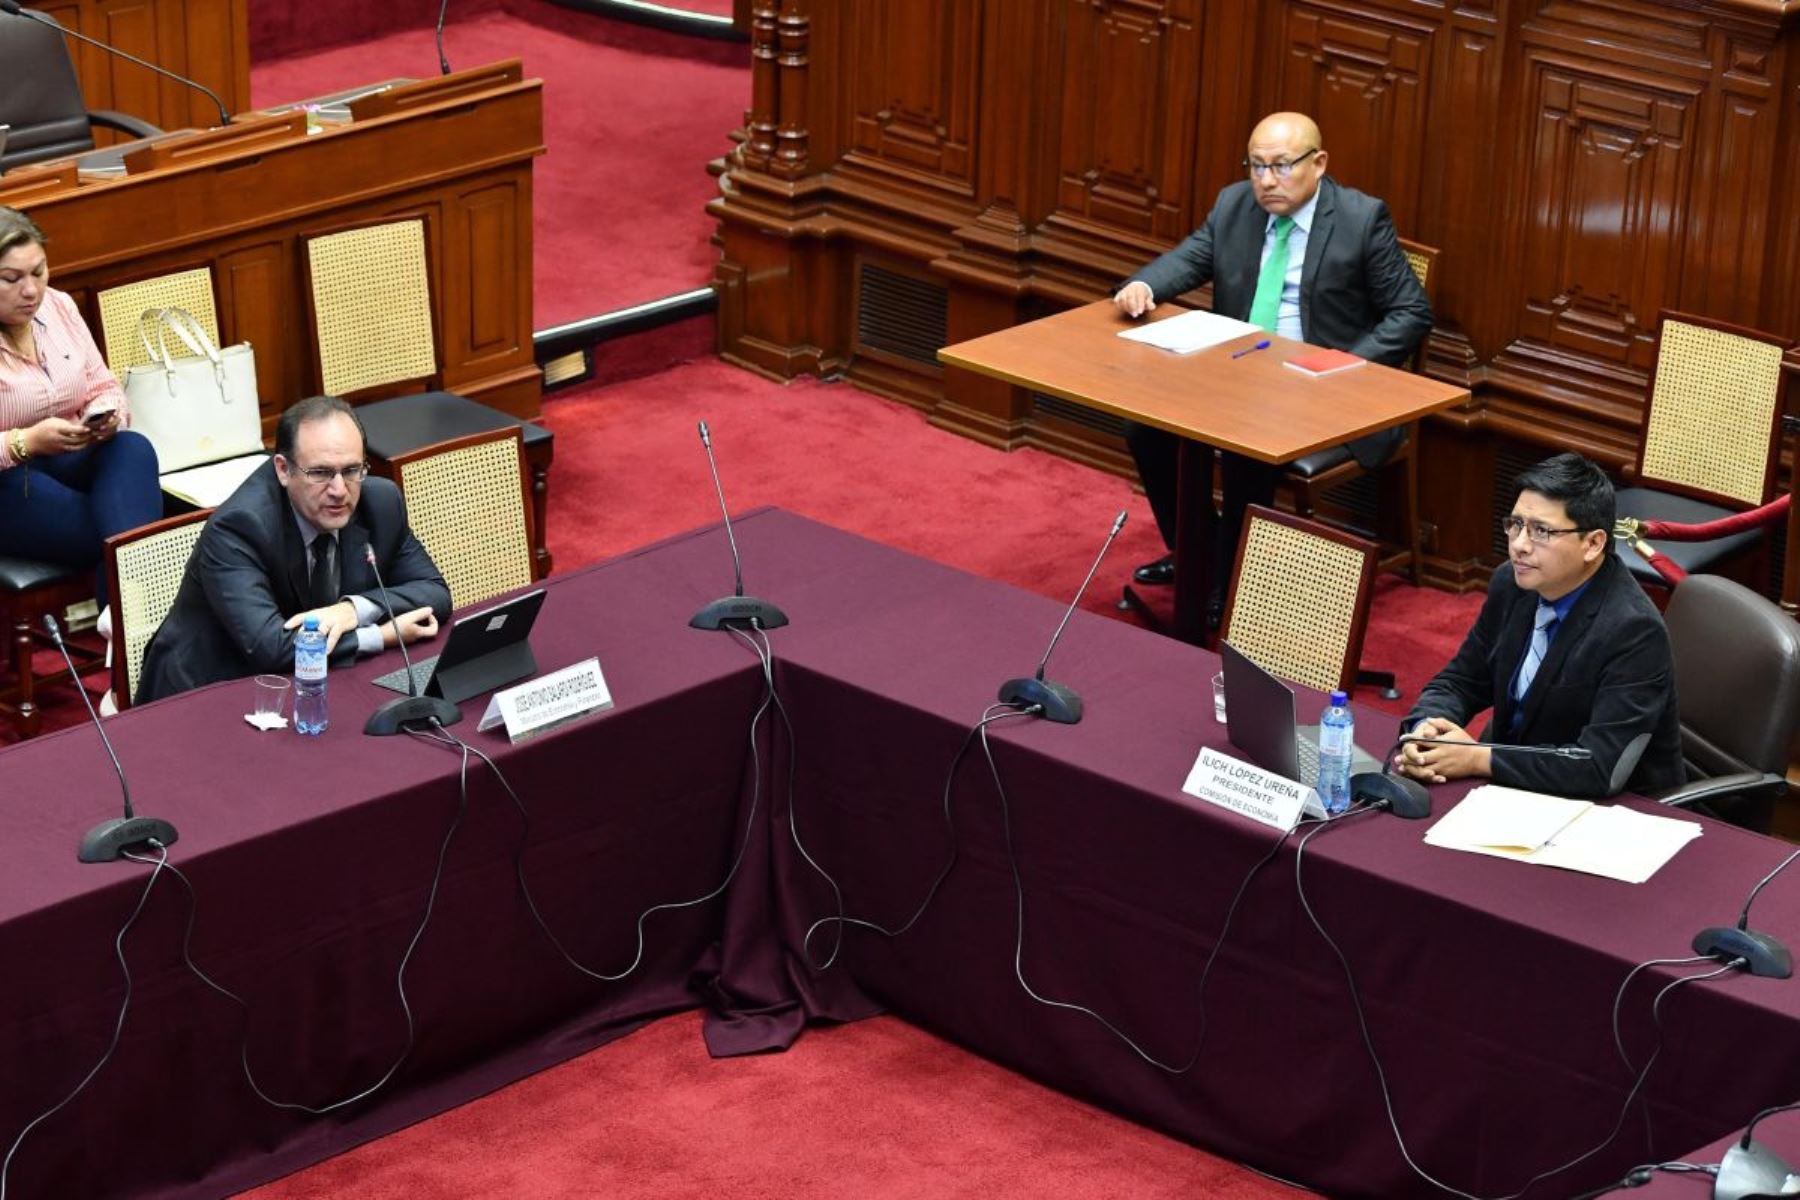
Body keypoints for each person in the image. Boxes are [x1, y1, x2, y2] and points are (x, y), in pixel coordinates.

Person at [1114, 113, 1431, 606]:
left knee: (1245, 445)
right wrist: (1143, 285)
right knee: (1147, 428)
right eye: (1256, 166)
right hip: (1237, 373)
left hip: (1325, 387)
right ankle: (1203, 551)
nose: (1265, 181)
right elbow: (1191, 257)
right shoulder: (1235, 204)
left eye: (1281, 166)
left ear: (1319, 163)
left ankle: (1229, 582)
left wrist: (1337, 367)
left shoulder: (1361, 219)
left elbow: (1411, 313)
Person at [1395, 453, 1683, 798]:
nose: (1519, 545)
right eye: (1515, 525)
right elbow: (1463, 679)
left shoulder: (1633, 631)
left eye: (1541, 531)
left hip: (1609, 812)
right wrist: (1424, 730)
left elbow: (1597, 766)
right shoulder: (1513, 584)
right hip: (1516, 784)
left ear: (1593, 544)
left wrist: (1477, 759)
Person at [136, 395, 450, 703]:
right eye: (320, 473)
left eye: (352, 470)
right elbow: (272, 647)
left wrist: (352, 610)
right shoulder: (239, 526)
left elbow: (434, 592)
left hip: (310, 684)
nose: (340, 491)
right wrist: (379, 636)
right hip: (208, 691)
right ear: (284, 470)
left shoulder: (380, 503)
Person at [0, 206, 161, 603]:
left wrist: (105, 416)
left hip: (72, 459)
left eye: (39, 272)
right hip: (9, 481)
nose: (32, 291)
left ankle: (120, 621)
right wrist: (27, 442)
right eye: (11, 279)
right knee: (120, 527)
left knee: (131, 446)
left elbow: (104, 385)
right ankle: (134, 621)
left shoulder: (59, 307)